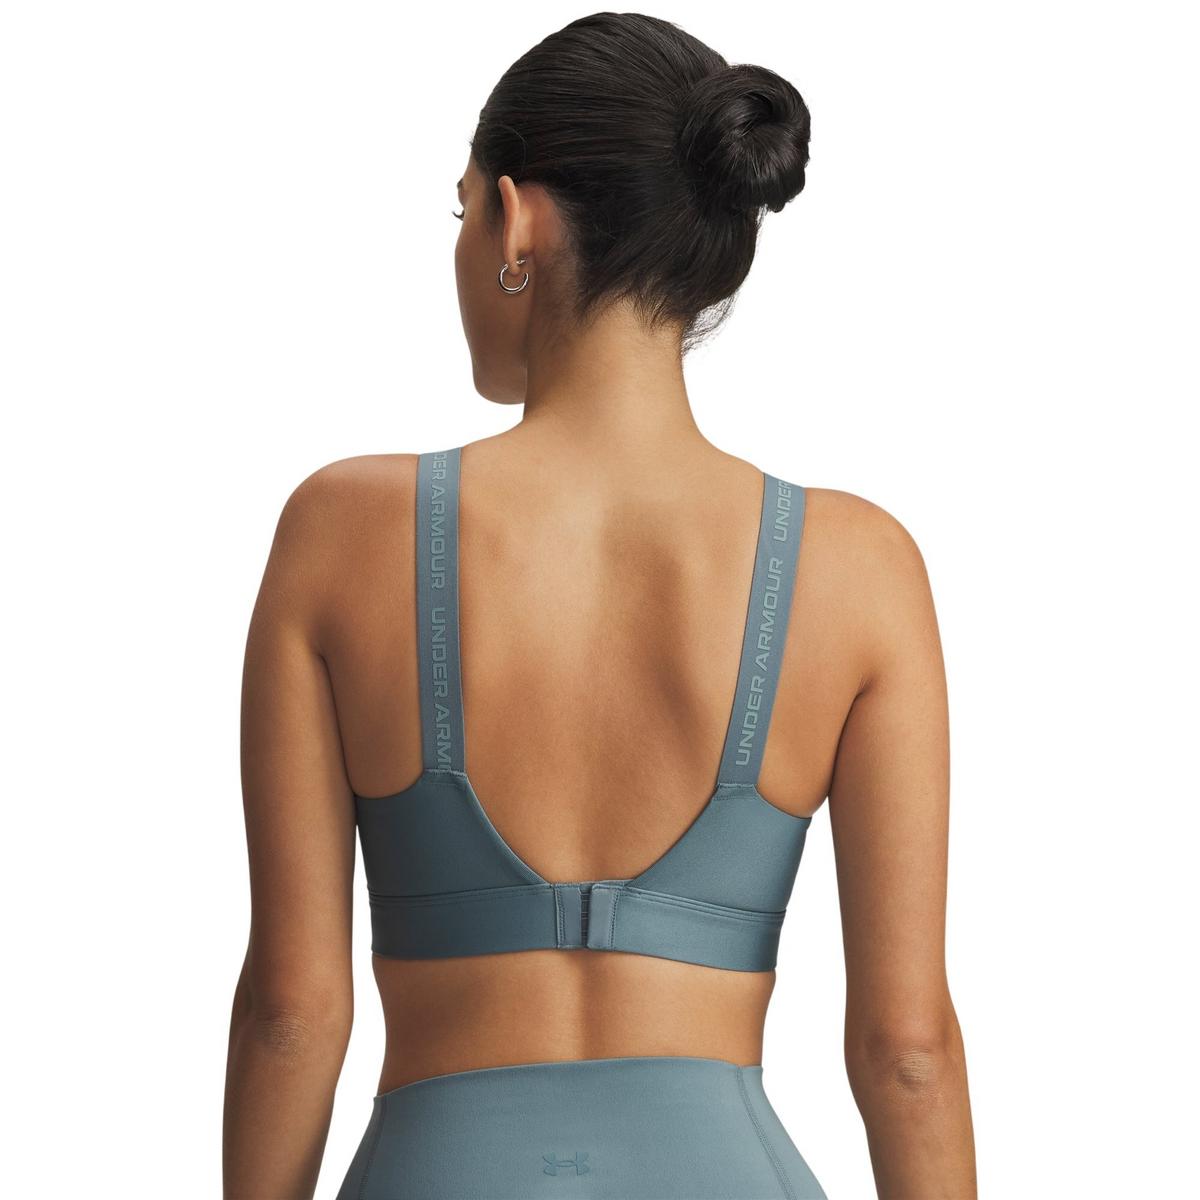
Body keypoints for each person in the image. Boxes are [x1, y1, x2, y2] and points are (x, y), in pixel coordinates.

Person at [222, 12, 976, 1199]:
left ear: (515, 219)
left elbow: (291, 1013)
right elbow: (908, 1051)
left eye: (460, 214)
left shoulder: (341, 533)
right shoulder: (857, 566)